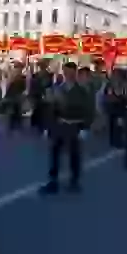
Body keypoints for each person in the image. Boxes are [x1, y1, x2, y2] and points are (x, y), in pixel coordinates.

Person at [39, 62, 93, 195]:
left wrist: (85, 128)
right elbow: (51, 109)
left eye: (70, 72)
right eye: (66, 72)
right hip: (60, 125)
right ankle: (53, 181)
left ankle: (74, 181)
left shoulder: (81, 91)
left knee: (74, 155)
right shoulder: (58, 89)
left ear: (75, 73)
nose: (68, 75)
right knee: (54, 154)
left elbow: (89, 110)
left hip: (75, 125)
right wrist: (48, 127)